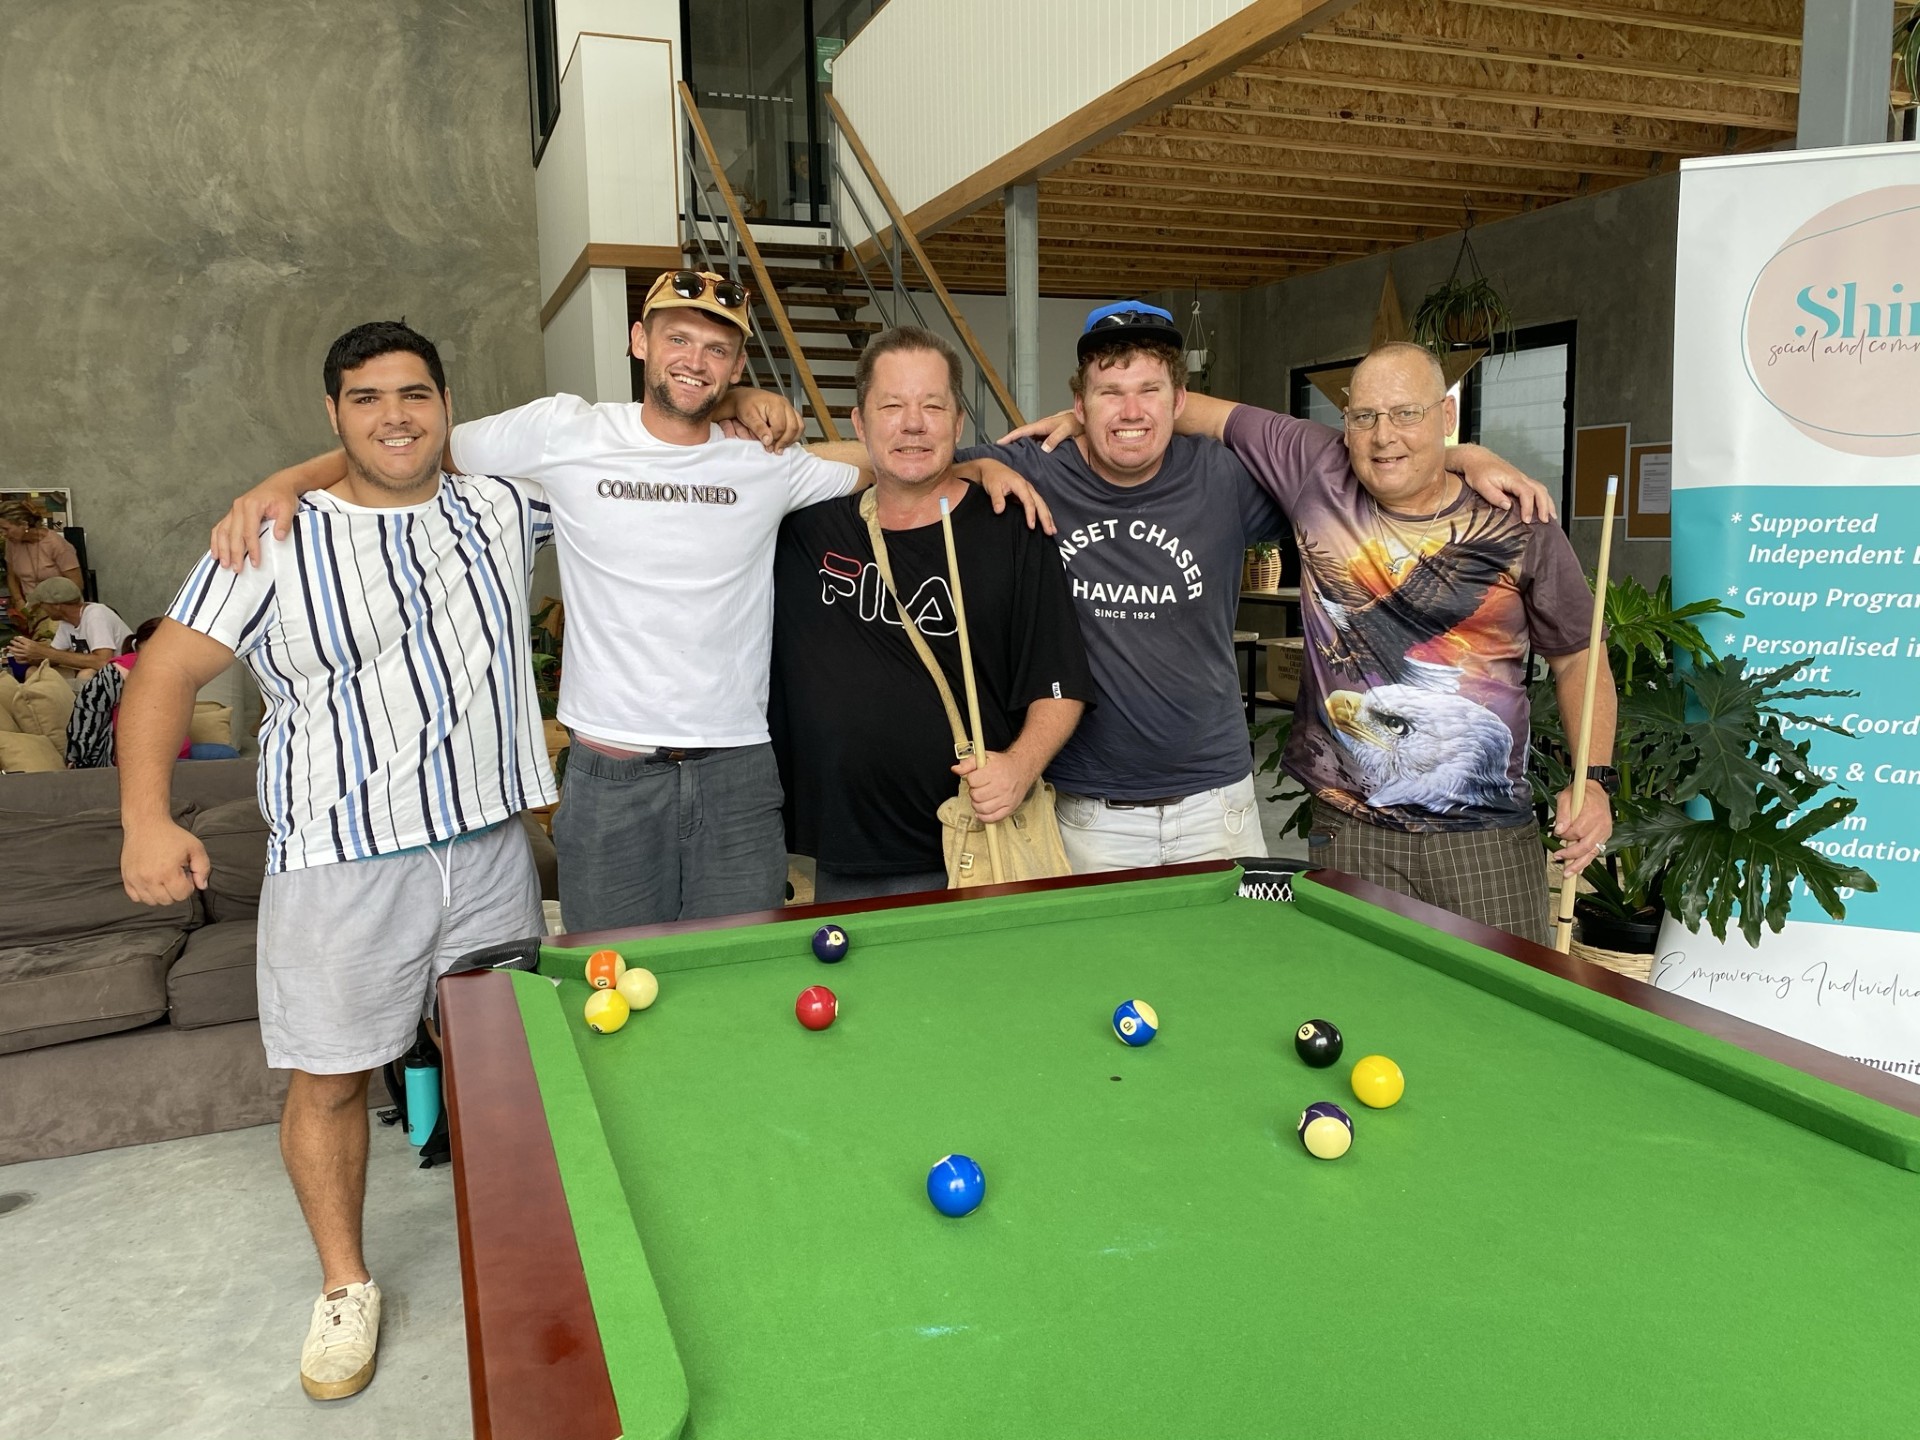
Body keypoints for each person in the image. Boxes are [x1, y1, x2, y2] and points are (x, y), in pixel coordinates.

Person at [213, 271, 1045, 931]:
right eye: (678, 338)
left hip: (738, 778)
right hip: (611, 779)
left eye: (718, 349)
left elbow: (889, 453)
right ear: (640, 340)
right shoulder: (564, 430)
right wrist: (285, 481)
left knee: (740, 977)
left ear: (737, 363)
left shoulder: (760, 460)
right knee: (611, 987)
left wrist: (976, 463)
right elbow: (409, 444)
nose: (696, 359)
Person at [120, 321, 556, 1402]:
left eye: (414, 394)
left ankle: (529, 1251)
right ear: (333, 413)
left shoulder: (499, 510)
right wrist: (145, 820)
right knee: (330, 1080)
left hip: (490, 847)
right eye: (366, 399)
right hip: (341, 863)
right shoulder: (272, 540)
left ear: (447, 405)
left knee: (508, 1062)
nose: (395, 415)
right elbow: (161, 676)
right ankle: (345, 1286)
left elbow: (643, 469)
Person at [966, 301, 1555, 874]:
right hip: (1088, 813)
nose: (1130, 410)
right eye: (1108, 393)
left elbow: (1369, 461)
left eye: (1149, 390)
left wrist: (1461, 456)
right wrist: (983, 467)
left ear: (1179, 400)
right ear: (1079, 402)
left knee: (1232, 971)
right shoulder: (1039, 466)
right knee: (1098, 975)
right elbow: (908, 463)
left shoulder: (1227, 475)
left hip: (1217, 806)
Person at [1181, 341, 1612, 942]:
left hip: (1483, 841)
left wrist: (1593, 779)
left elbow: (1579, 660)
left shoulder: (1519, 522)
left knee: (1496, 1019)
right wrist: (1091, 416)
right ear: (1346, 424)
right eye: (1364, 417)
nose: (1384, 436)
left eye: (1407, 414)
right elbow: (1184, 409)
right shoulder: (1315, 468)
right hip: (1348, 831)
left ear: (1447, 416)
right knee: (1356, 1007)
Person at [771, 327, 1095, 902]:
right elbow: (730, 461)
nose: (913, 423)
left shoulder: (1013, 527)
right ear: (859, 422)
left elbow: (1061, 679)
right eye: (891, 406)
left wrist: (1020, 767)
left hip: (979, 843)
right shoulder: (807, 528)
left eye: (932, 406)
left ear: (959, 424)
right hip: (847, 856)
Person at [7, 576, 131, 674]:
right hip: (102, 674)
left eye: (42, 604)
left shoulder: (96, 614)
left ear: (56, 605)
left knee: (86, 674)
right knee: (34, 672)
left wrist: (44, 652)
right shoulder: (66, 622)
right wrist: (30, 656)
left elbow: (103, 661)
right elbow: (55, 657)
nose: (42, 609)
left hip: (125, 673)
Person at [2, 498, 83, 619]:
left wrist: (54, 609)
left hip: (59, 610)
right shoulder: (12, 543)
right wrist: (19, 602)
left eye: (6, 529)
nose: (3, 534)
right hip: (30, 609)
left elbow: (77, 585)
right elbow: (11, 576)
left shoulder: (57, 544)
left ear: (24, 524)